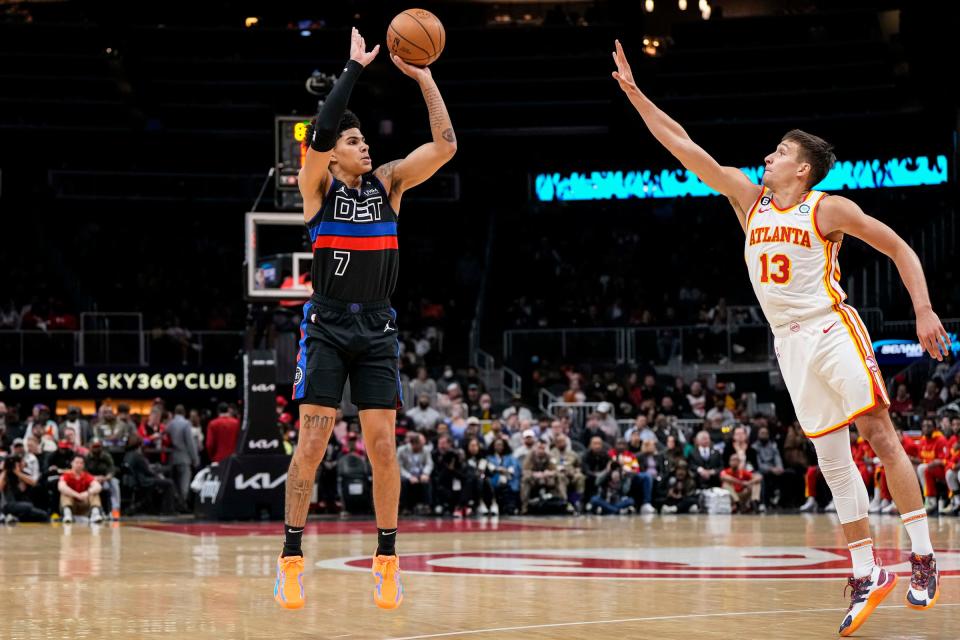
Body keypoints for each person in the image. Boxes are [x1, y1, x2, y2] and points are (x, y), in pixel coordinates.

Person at [613, 39, 946, 634]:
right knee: (832, 457)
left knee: (879, 434)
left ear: (803, 168)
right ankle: (867, 570)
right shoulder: (750, 201)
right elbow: (686, 148)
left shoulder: (827, 210)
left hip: (831, 325)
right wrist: (638, 96)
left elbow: (899, 247)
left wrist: (922, 312)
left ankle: (922, 555)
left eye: (779, 153)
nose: (766, 157)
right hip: (788, 342)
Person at [278, 26, 456, 612]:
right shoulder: (316, 189)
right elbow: (322, 132)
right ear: (333, 153)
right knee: (313, 442)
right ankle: (291, 560)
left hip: (377, 326)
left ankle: (386, 560)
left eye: (363, 140)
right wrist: (353, 68)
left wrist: (425, 79)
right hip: (327, 324)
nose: (363, 147)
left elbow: (447, 145)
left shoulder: (390, 183)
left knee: (383, 447)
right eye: (353, 142)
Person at [165, 405, 200, 509]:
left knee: (175, 483)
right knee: (184, 483)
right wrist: (195, 458)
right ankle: (182, 504)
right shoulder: (186, 424)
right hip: (184, 457)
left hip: (172, 457)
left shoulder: (170, 424)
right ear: (184, 413)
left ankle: (176, 503)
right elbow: (190, 443)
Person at [57, 455, 104, 524]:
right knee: (65, 493)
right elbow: (61, 487)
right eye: (77, 462)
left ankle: (95, 514)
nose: (79, 465)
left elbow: (98, 486)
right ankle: (67, 514)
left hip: (84, 504)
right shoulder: (66, 475)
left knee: (94, 492)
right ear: (72, 463)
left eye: (81, 463)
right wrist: (76, 495)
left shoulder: (86, 475)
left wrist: (87, 493)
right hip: (72, 504)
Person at [397, 432, 433, 515]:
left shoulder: (425, 450)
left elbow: (429, 463)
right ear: (413, 444)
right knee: (404, 482)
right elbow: (399, 466)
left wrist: (425, 473)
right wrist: (409, 477)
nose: (422, 447)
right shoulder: (402, 450)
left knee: (426, 481)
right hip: (406, 474)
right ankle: (405, 507)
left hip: (420, 474)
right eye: (420, 445)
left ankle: (426, 506)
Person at [85, 440, 120, 518]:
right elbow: (84, 472)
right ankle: (95, 511)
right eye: (94, 447)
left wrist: (107, 477)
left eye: (98, 447)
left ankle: (115, 510)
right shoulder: (86, 457)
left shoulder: (106, 456)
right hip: (91, 480)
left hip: (105, 479)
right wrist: (94, 478)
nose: (96, 449)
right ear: (90, 447)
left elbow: (112, 468)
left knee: (115, 482)